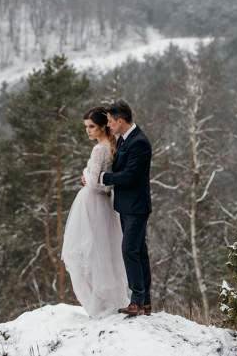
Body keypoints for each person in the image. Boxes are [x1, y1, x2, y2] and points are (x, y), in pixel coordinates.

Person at [61, 106, 129, 317]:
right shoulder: (113, 146)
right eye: (86, 127)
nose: (88, 131)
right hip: (105, 204)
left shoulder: (99, 149)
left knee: (89, 252)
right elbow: (107, 182)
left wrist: (86, 175)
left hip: (92, 202)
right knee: (105, 251)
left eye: (91, 126)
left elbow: (92, 183)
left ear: (102, 126)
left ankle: (98, 303)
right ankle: (108, 299)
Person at [99, 100, 152, 316]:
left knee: (129, 250)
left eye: (110, 121)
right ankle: (144, 301)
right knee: (138, 251)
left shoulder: (139, 142)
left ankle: (136, 301)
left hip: (137, 207)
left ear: (121, 120)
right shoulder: (123, 140)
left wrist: (104, 177)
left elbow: (130, 176)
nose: (108, 125)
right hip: (126, 206)